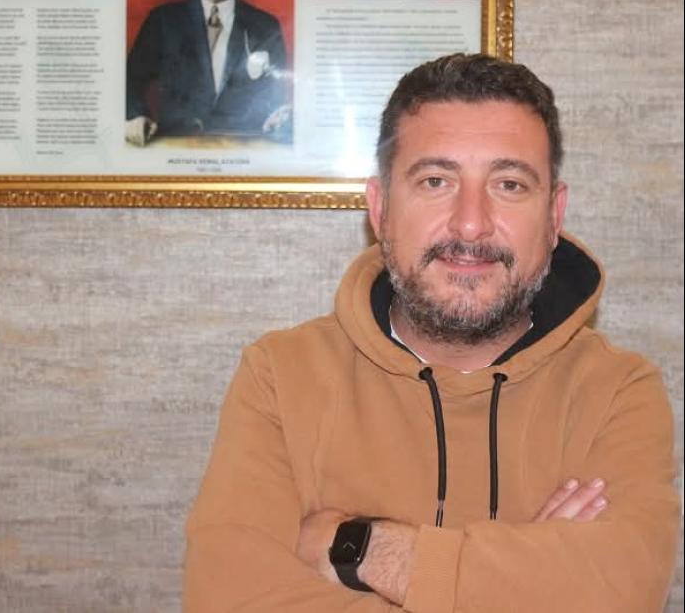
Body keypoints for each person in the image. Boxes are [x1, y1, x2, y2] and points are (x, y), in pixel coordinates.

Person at [183, 54, 679, 611]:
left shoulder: (617, 390)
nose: (471, 223)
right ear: (380, 209)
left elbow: (625, 592)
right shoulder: (281, 376)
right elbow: (228, 599)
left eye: (509, 184)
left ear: (554, 215)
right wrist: (533, 581)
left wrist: (361, 548)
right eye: (436, 181)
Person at [125, 0, 290, 145]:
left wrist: (277, 115)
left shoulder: (265, 25)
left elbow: (275, 91)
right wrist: (135, 115)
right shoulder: (164, 20)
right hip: (176, 143)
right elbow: (130, 78)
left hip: (243, 145)